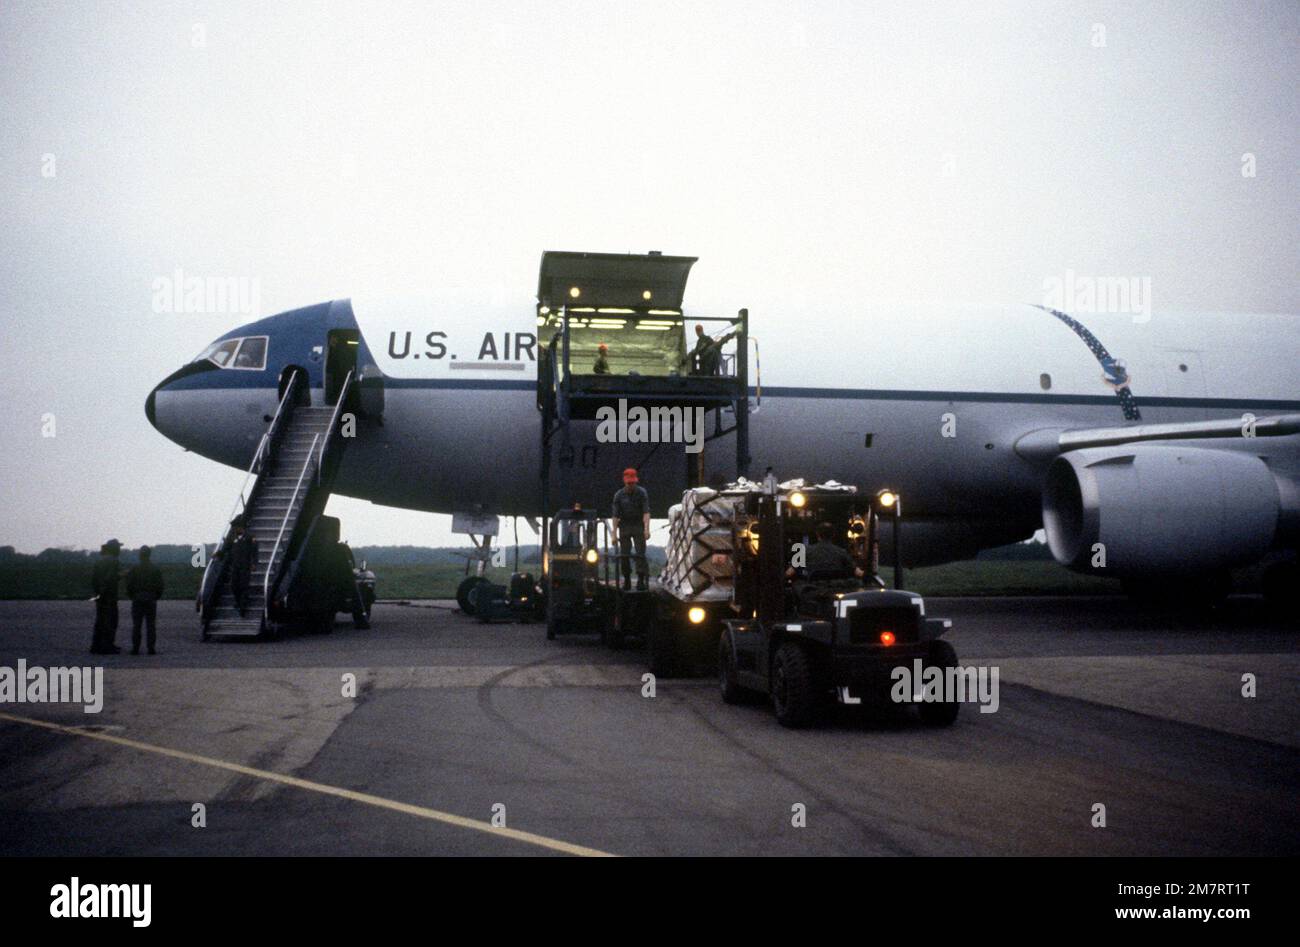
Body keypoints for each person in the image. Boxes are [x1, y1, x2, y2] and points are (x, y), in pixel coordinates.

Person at [611, 468, 650, 591]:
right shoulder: (619, 495)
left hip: (638, 524)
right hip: (625, 526)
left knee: (640, 553)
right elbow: (615, 516)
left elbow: (646, 512)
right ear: (625, 482)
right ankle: (627, 579)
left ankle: (641, 580)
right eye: (629, 483)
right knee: (624, 554)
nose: (631, 485)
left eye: (633, 482)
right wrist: (613, 534)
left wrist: (646, 529)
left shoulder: (642, 493)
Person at [786, 523, 864, 580]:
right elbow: (858, 573)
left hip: (812, 594)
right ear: (833, 535)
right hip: (835, 592)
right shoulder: (842, 552)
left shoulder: (805, 551)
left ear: (817, 534)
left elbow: (789, 573)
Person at [125, 545, 165, 655]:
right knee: (151, 625)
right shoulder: (155, 569)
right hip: (151, 598)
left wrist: (132, 596)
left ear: (140, 555)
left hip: (137, 598)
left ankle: (135, 648)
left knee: (137, 625)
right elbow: (160, 585)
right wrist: (155, 596)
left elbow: (129, 584)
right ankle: (151, 648)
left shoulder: (134, 568)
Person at [90, 539, 123, 654]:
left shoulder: (99, 561)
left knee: (100, 620)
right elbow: (110, 577)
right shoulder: (114, 561)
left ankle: (96, 645)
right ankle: (108, 645)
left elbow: (94, 579)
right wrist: (122, 575)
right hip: (109, 595)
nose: (120, 550)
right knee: (111, 621)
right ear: (114, 549)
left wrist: (97, 592)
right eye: (118, 547)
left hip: (99, 595)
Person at [228, 519, 259, 618]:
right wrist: (218, 554)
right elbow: (226, 549)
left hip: (245, 565)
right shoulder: (233, 538)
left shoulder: (250, 537)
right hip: (235, 566)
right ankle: (238, 602)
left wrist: (254, 563)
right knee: (233, 586)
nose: (235, 529)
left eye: (236, 527)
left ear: (241, 528)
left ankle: (242, 608)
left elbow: (255, 552)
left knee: (244, 586)